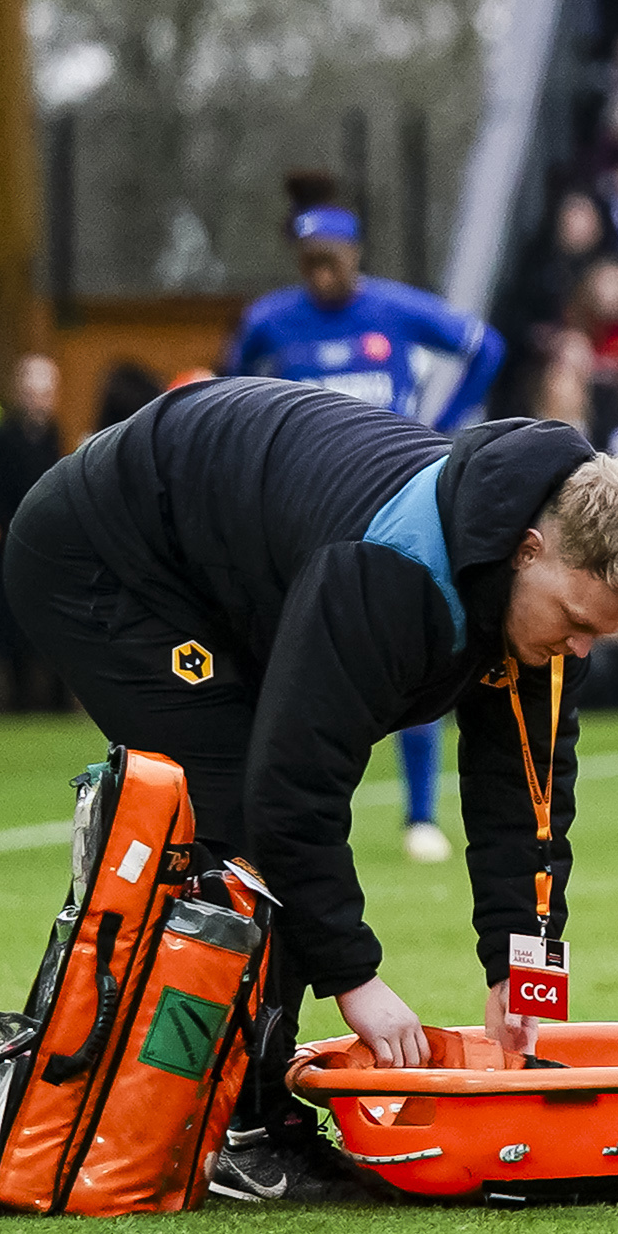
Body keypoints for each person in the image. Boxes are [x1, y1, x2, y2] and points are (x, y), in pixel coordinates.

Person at [0, 377, 618, 1202]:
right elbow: (292, 796)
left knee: (248, 807)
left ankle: (237, 1114)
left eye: (600, 635)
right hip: (108, 555)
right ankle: (242, 1132)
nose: (580, 647)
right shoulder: (388, 574)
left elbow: (526, 802)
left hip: (232, 575)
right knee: (235, 818)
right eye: (574, 621)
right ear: (528, 549)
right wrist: (357, 980)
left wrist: (522, 971)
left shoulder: (539, 605)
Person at [226, 172, 505, 866]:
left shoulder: (396, 310)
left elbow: (485, 347)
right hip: (301, 506)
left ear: (355, 254)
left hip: (394, 497)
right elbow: (230, 390)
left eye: (333, 260)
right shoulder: (270, 321)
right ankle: (279, 809)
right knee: (288, 651)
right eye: (310, 262)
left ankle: (419, 814)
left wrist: (441, 424)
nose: (322, 275)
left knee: (418, 639)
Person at [0, 354, 69, 717]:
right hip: (4, 546)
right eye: (31, 392)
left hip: (41, 548)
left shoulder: (53, 435)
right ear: (17, 392)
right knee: (3, 627)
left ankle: (44, 702)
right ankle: (5, 703)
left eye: (44, 393)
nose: (38, 400)